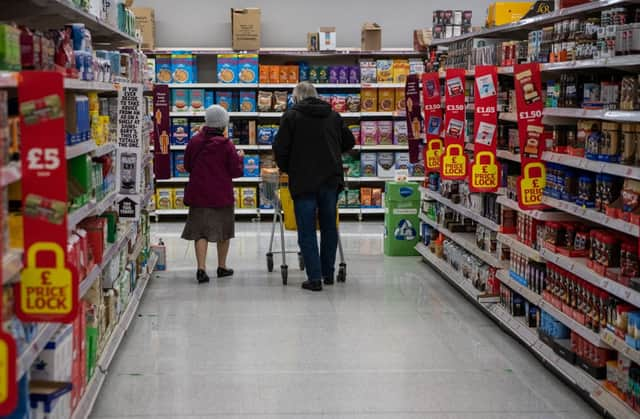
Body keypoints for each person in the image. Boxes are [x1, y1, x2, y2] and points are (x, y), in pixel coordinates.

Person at [273, 81, 356, 292]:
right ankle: (327, 273)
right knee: (329, 226)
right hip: (330, 179)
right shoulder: (333, 116)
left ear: (296, 97)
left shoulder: (291, 117)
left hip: (303, 181)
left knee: (307, 229)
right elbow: (350, 141)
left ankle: (315, 278)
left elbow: (280, 149)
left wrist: (288, 167)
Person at [182, 105, 244, 284]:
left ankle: (201, 269)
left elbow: (187, 166)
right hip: (221, 195)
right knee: (223, 231)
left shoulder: (194, 141)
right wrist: (239, 157)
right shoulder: (227, 145)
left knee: (200, 232)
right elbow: (235, 171)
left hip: (199, 193)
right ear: (224, 124)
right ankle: (222, 267)